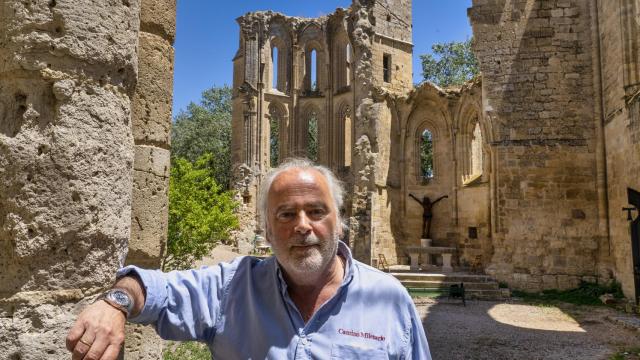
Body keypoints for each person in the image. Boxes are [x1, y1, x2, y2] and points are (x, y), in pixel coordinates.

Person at [66, 158, 432, 359]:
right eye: (286, 215)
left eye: (316, 211)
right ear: (268, 231)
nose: (303, 226)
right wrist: (115, 303)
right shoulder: (232, 288)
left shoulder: (389, 298)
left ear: (340, 221)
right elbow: (154, 287)